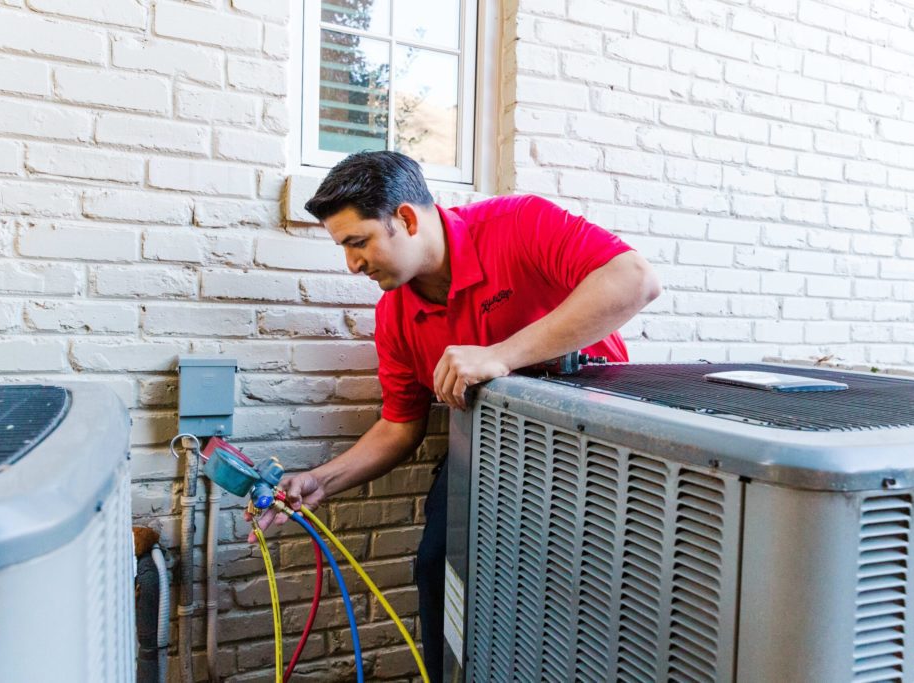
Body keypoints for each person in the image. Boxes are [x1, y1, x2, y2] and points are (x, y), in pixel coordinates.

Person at [251, 151, 661, 680]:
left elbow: (635, 280)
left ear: (407, 218)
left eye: (358, 242)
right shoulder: (393, 314)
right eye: (344, 248)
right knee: (440, 566)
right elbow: (400, 426)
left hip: (598, 447)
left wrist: (502, 354)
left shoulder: (519, 224)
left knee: (576, 586)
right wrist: (320, 481)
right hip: (489, 449)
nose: (351, 264)